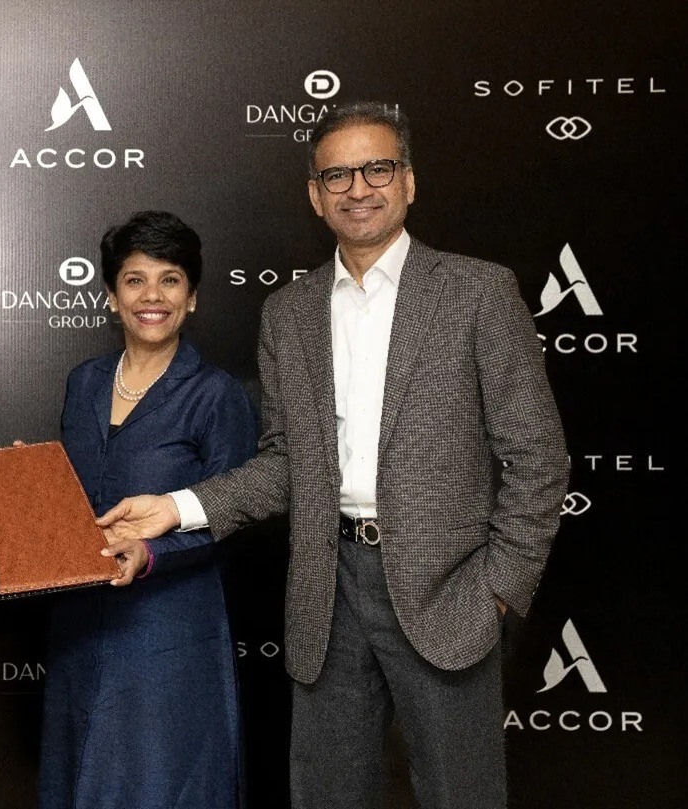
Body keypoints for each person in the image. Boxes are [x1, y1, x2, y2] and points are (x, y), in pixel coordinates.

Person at [98, 103, 568, 808]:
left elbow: (537, 456)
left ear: (408, 181)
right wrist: (176, 507)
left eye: (377, 168)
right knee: (328, 793)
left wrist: (497, 588)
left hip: (449, 590)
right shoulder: (289, 311)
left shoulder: (478, 291)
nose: (358, 188)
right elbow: (285, 463)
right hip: (327, 589)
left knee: (461, 794)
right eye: (337, 175)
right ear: (315, 196)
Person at [39, 211, 257, 809]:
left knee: (162, 784)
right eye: (135, 280)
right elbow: (73, 500)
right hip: (79, 623)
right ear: (112, 296)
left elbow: (235, 514)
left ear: (193, 297)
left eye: (170, 280)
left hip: (169, 630)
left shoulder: (216, 394)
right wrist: (27, 485)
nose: (152, 296)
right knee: (78, 779)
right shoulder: (84, 382)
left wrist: (152, 552)